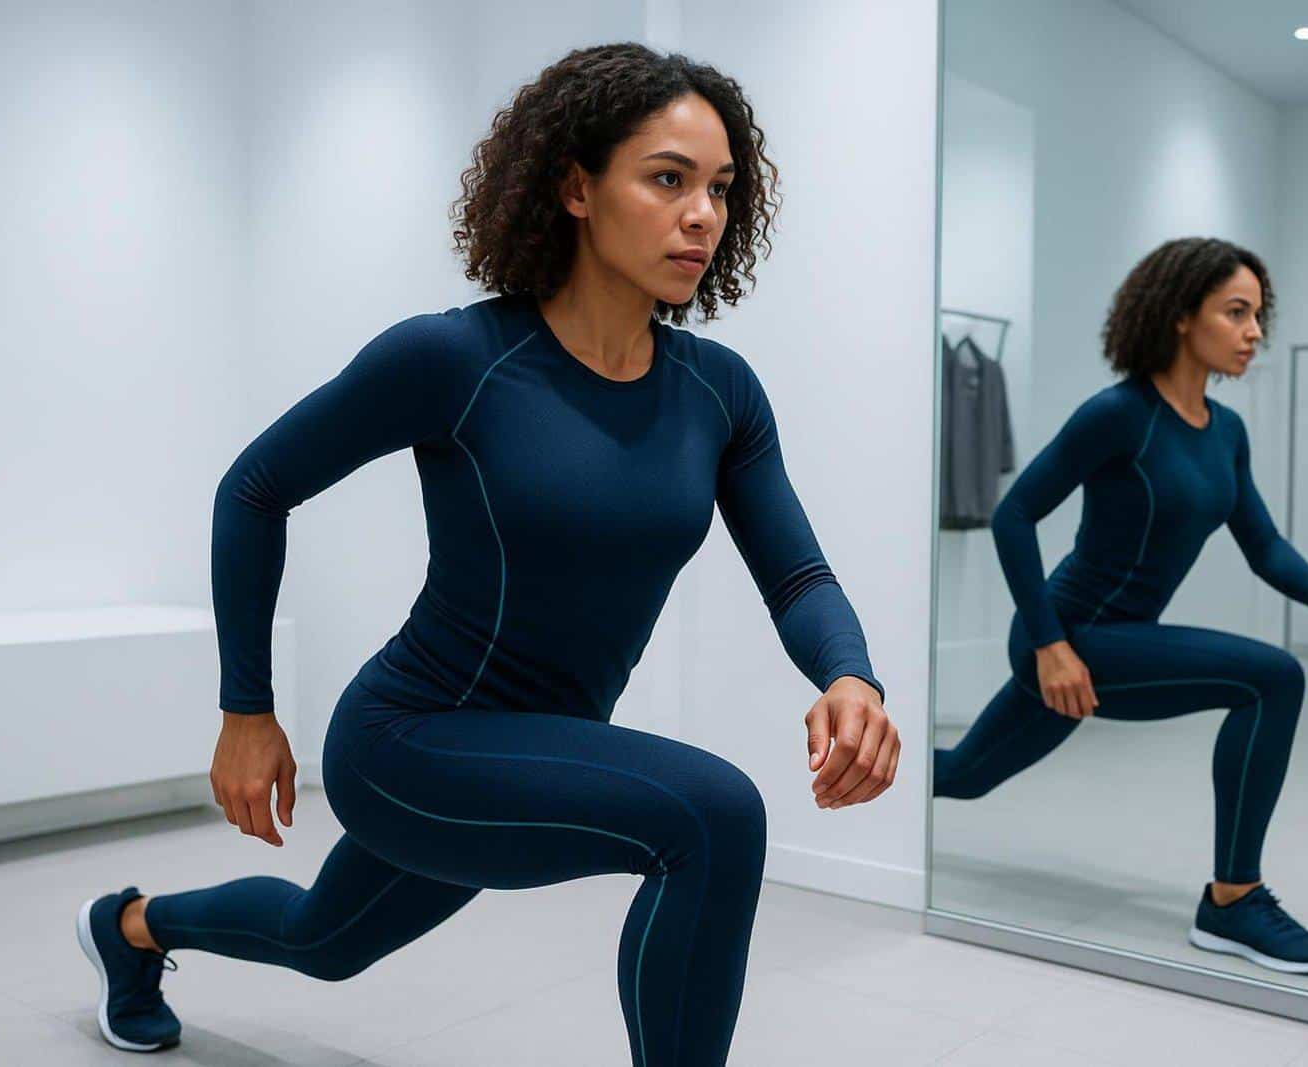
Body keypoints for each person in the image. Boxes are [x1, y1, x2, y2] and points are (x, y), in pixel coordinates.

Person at [73, 43, 899, 1065]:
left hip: (534, 751)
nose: (702, 215)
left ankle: (126, 927)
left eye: (721, 188)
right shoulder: (457, 359)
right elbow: (255, 488)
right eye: (668, 178)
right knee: (714, 815)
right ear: (575, 187)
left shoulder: (719, 393)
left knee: (321, 938)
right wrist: (247, 708)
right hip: (411, 738)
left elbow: (798, 573)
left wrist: (846, 671)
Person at [932, 236, 1308, 976]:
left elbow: (1262, 543)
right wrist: (1049, 644)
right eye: (1236, 312)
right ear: (1181, 315)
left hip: (1119, 639)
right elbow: (1014, 514)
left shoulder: (1225, 431)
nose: (1254, 332)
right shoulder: (1118, 414)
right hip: (1069, 635)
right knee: (1274, 677)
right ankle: (1232, 901)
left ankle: (852, 767)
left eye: (1259, 315)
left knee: (964, 776)